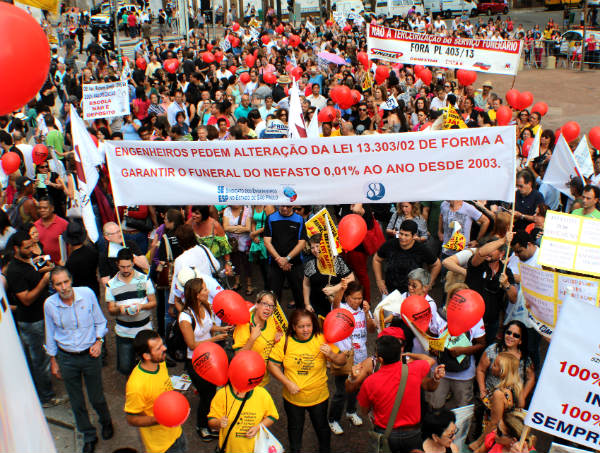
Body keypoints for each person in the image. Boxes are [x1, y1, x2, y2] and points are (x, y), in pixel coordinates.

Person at [44, 267, 113, 453]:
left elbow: (100, 322)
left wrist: (99, 341)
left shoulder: (87, 294)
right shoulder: (50, 305)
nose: (63, 287)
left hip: (90, 355)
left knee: (96, 397)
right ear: (53, 286)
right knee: (76, 402)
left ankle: (106, 422)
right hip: (66, 358)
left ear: (71, 280)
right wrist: (53, 360)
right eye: (58, 284)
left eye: (66, 282)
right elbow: (49, 333)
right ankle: (88, 435)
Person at [268, 309, 347, 453]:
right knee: (294, 428)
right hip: (293, 398)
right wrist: (287, 383)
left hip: (318, 397)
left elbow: (342, 360)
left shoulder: (321, 339)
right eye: (301, 326)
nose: (306, 330)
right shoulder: (285, 342)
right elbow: (272, 365)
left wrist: (332, 355)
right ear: (293, 327)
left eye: (309, 326)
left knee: (322, 427)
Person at [356, 332, 442, 453]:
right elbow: (429, 360)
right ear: (399, 354)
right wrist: (410, 354)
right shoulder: (415, 369)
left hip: (385, 433)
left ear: (380, 359)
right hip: (413, 433)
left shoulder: (369, 382)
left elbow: (364, 411)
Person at [5, 230, 63, 408]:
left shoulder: (28, 261)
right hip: (32, 322)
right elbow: (26, 299)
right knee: (40, 360)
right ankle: (46, 397)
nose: (31, 249)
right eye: (27, 246)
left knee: (44, 355)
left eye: (32, 244)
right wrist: (44, 281)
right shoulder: (15, 270)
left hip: (41, 316)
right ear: (16, 248)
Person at [178, 277, 232, 440]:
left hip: (210, 356)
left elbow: (209, 326)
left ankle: (210, 421)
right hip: (195, 361)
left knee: (213, 391)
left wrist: (223, 328)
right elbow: (192, 345)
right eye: (204, 289)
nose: (208, 291)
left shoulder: (205, 306)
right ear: (196, 295)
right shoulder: (185, 318)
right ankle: (202, 426)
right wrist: (215, 339)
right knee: (207, 395)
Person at [125, 330, 187, 453]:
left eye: (162, 344)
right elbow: (131, 419)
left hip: (177, 432)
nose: (164, 348)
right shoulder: (136, 386)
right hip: (161, 446)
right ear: (146, 356)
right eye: (159, 348)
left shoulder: (160, 362)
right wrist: (161, 419)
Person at [328, 280, 376, 435]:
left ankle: (350, 411)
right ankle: (333, 419)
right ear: (347, 297)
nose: (357, 301)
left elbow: (371, 330)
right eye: (354, 298)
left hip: (361, 356)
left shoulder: (363, 310)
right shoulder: (342, 309)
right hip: (345, 357)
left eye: (360, 298)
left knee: (356, 387)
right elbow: (335, 304)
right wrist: (341, 289)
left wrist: (368, 313)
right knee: (341, 391)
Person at [429, 283, 486, 411]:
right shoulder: (440, 315)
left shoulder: (476, 318)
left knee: (463, 408)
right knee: (435, 406)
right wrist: (433, 348)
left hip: (464, 374)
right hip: (440, 371)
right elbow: (432, 336)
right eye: (457, 298)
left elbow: (481, 344)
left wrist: (463, 351)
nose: (460, 302)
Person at [105, 248, 157, 375]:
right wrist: (120, 309)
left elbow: (153, 302)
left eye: (128, 266)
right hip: (124, 333)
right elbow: (111, 310)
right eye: (122, 267)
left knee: (148, 365)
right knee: (125, 367)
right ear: (117, 264)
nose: (126, 270)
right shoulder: (111, 285)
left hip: (144, 330)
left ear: (133, 263)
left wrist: (141, 307)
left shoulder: (144, 279)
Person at [466, 235, 517, 344]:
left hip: (490, 324)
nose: (488, 252)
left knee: (483, 353)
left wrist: (506, 285)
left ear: (502, 253)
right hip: (469, 319)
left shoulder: (506, 272)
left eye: (493, 249)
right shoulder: (477, 264)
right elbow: (481, 252)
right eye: (488, 247)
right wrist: (503, 240)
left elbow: (513, 298)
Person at [469, 352, 523, 453]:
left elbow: (494, 423)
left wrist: (478, 442)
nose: (491, 366)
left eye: (495, 365)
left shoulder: (499, 393)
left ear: (502, 371)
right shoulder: (516, 388)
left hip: (495, 436)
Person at [476, 321, 535, 410]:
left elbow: (531, 378)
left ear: (521, 341)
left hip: (513, 404)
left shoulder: (525, 358)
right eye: (508, 332)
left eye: (516, 335)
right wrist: (482, 391)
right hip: (491, 400)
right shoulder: (493, 350)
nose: (510, 336)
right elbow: (481, 370)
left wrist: (522, 396)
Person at [207, 380, 279, 453]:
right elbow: (211, 421)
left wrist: (258, 427)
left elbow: (272, 416)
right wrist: (218, 422)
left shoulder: (262, 393)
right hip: (229, 449)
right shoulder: (222, 394)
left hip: (255, 449)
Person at [373, 219, 441, 296]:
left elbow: (437, 264)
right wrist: (379, 281)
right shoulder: (390, 244)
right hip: (389, 291)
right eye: (401, 234)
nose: (402, 237)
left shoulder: (421, 249)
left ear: (414, 236)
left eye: (406, 235)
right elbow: (376, 259)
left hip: (411, 293)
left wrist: (428, 284)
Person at [233, 290, 283, 387]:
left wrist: (277, 340)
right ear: (257, 305)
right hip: (247, 380)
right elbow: (238, 358)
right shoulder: (244, 326)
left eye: (271, 306)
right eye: (265, 304)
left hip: (264, 379)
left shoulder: (271, 321)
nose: (268, 308)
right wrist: (252, 339)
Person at [263, 205, 308, 309]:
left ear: (293, 206)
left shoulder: (299, 219)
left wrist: (287, 259)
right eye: (282, 206)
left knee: (299, 296)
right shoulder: (271, 218)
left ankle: (300, 322)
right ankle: (274, 322)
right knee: (273, 298)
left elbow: (301, 243)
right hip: (275, 264)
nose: (284, 209)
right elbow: (267, 242)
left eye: (288, 206)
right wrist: (279, 259)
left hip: (295, 264)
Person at [303, 233, 354, 318]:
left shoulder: (337, 261)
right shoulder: (310, 264)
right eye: (312, 247)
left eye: (317, 246)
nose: (315, 250)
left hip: (338, 305)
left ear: (324, 246)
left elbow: (351, 278)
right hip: (318, 307)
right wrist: (307, 304)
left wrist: (335, 288)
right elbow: (306, 284)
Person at [64, 221, 100, 297]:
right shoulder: (92, 251)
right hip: (94, 289)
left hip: (79, 293)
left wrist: (63, 266)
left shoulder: (71, 261)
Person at [34, 197, 68, 264]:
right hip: (44, 265)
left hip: (61, 264)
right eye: (40, 208)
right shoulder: (35, 226)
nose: (42, 210)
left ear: (52, 208)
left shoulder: (63, 224)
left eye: (45, 208)